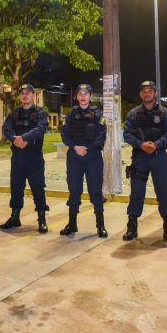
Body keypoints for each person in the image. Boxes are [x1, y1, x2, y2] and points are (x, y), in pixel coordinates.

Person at [122, 81, 167, 242]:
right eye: (144, 91)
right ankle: (132, 228)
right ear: (140, 94)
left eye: (150, 91)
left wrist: (156, 145)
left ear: (155, 94)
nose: (147, 93)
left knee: (164, 193)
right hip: (140, 158)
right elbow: (127, 134)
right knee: (136, 193)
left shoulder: (165, 113)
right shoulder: (133, 114)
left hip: (159, 158)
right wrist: (141, 145)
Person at [0, 84, 50, 233]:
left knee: (38, 188)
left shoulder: (41, 112)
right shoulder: (14, 113)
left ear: (33, 95)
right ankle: (15, 217)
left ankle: (42, 219)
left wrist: (24, 138)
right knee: (16, 187)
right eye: (22, 93)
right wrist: (15, 139)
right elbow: (7, 128)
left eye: (28, 93)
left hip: (34, 157)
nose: (25, 95)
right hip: (18, 157)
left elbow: (41, 128)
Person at [59, 84, 107, 238]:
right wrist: (75, 147)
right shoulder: (70, 114)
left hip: (92, 157)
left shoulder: (98, 114)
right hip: (74, 157)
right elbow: (65, 135)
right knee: (74, 191)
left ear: (91, 96)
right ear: (77, 96)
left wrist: (87, 148)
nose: (82, 96)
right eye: (80, 93)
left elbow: (102, 135)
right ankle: (72, 224)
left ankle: (100, 226)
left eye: (86, 94)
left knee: (95, 192)